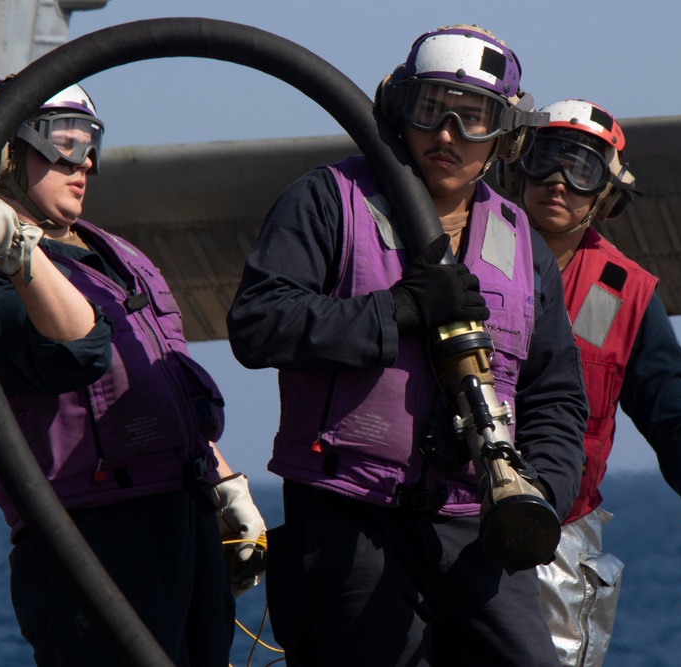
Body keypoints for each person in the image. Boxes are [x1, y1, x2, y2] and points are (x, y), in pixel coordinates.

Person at [226, 25, 589, 666]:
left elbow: (554, 393)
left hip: (478, 527)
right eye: (432, 110)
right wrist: (396, 312)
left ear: (503, 136)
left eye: (472, 118)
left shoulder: (522, 244)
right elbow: (258, 323)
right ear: (400, 109)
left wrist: (539, 498)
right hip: (349, 518)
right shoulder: (328, 201)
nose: (448, 133)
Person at [0, 80, 267, 667]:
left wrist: (225, 484)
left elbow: (166, 381)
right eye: (65, 143)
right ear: (6, 150)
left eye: (91, 144)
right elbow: (78, 349)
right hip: (92, 542)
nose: (86, 165)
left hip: (185, 517)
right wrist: (19, 251)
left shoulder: (118, 257)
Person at [498, 98, 681, 666]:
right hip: (449, 512)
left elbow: (672, 404)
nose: (558, 183)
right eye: (546, 161)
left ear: (606, 194)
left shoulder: (620, 293)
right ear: (519, 167)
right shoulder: (467, 252)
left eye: (582, 169)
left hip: (556, 528)